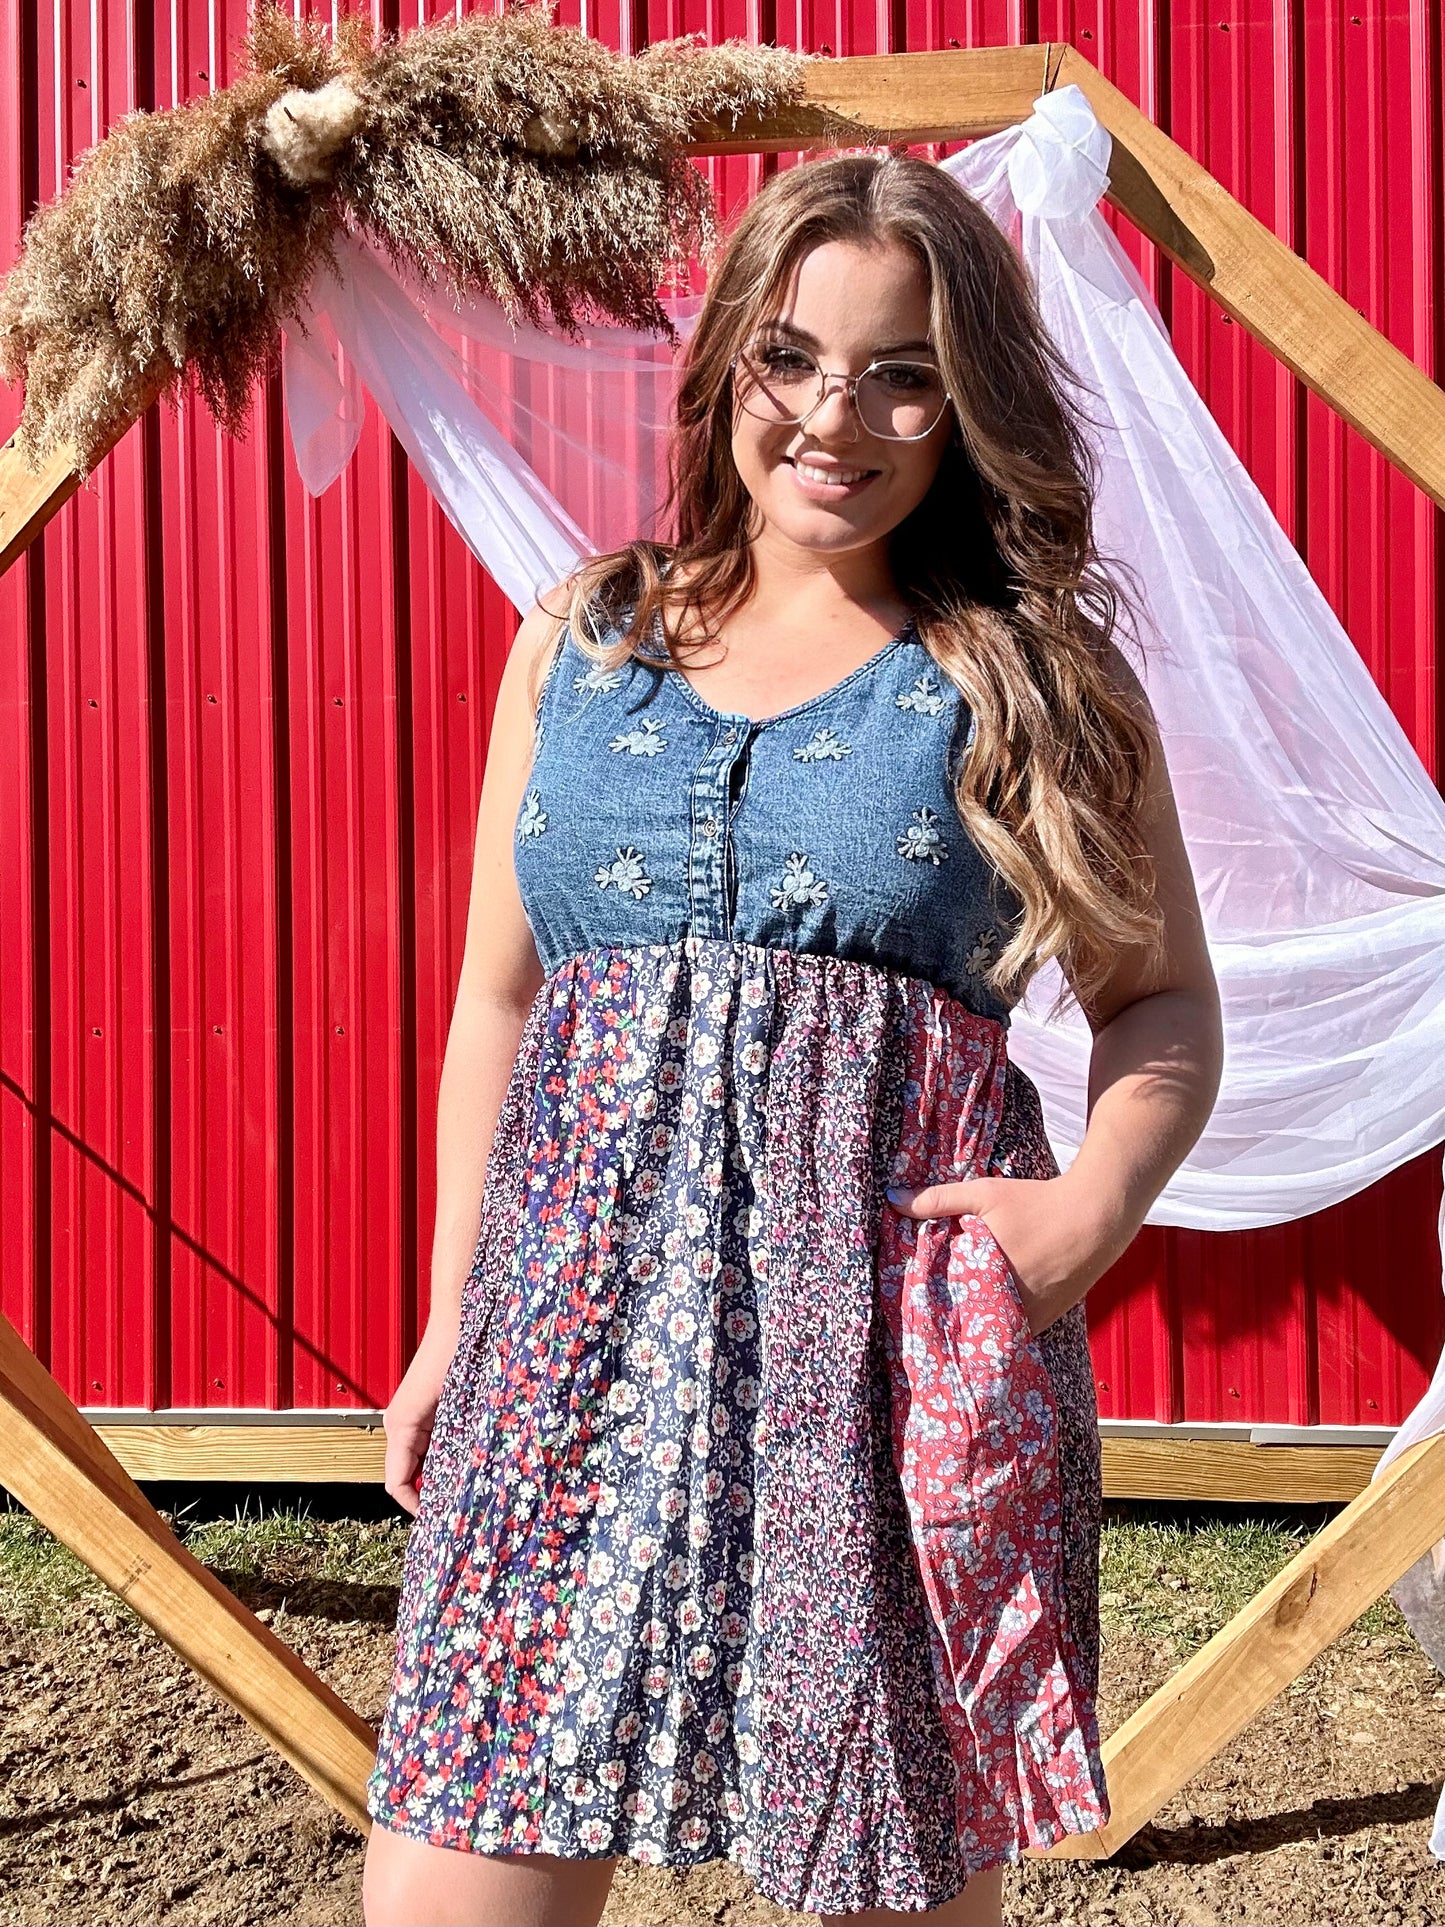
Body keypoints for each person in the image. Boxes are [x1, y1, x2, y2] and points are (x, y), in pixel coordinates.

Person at [359, 151, 1223, 1927]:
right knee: (459, 1854)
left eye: (903, 368)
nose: (840, 415)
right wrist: (454, 1311)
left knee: (882, 1862)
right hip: (564, 1338)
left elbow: (1160, 1005)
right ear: (725, 371)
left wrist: (1085, 1215)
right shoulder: (578, 644)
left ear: (965, 399)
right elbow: (499, 1000)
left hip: (874, 1368)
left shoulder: (1028, 681)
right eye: (791, 357)